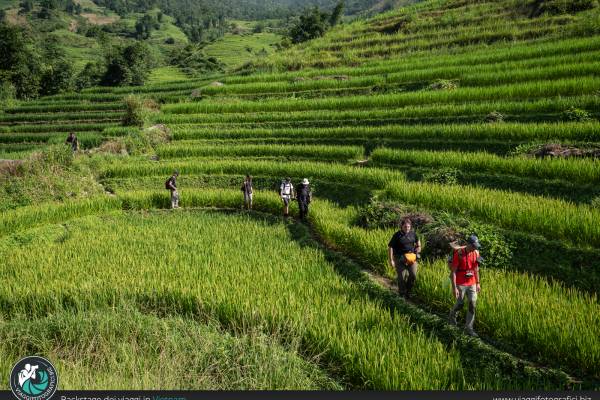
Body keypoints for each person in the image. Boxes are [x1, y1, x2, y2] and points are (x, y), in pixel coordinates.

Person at [448, 234, 482, 337]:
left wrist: (478, 283)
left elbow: (476, 269)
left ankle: (469, 328)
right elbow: (453, 272)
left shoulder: (476, 253)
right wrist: (454, 289)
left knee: (472, 303)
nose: (475, 248)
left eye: (476, 246)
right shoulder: (459, 254)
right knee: (460, 304)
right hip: (460, 282)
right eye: (473, 246)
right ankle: (452, 320)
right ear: (468, 244)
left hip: (472, 282)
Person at [388, 218, 421, 299]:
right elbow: (390, 247)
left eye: (409, 227)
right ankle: (402, 293)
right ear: (401, 226)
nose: (407, 228)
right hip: (400, 258)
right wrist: (391, 260)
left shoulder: (413, 234)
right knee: (402, 277)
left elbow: (418, 243)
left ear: (411, 227)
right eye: (405, 226)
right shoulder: (397, 235)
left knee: (413, 275)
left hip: (412, 258)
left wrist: (418, 249)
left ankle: (408, 291)